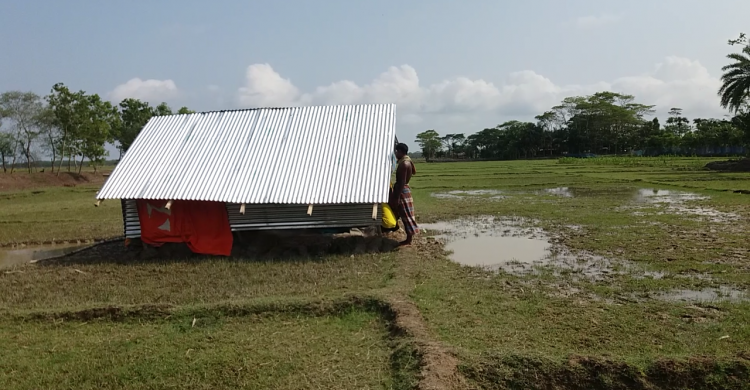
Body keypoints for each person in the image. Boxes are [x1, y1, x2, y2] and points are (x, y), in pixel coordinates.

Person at [389, 142, 419, 246]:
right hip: (403, 189)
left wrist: (396, 197)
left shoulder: (404, 164)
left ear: (401, 152)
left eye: (396, 151)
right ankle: (408, 237)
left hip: (402, 191)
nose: (395, 153)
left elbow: (401, 182)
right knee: (405, 213)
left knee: (406, 215)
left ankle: (409, 239)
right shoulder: (406, 161)